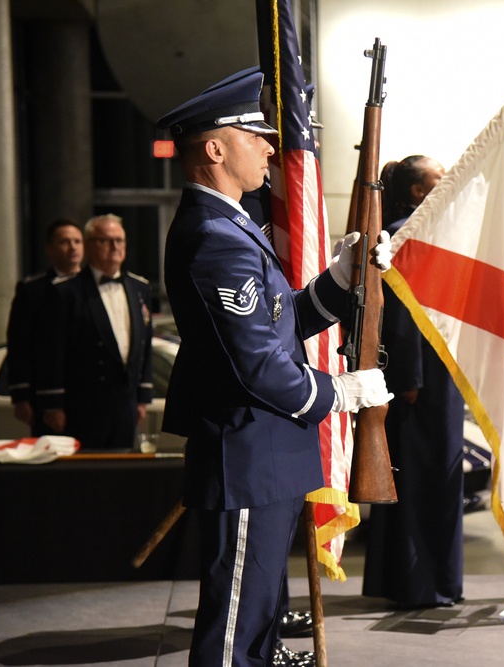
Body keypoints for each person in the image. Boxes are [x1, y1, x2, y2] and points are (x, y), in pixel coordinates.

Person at [156, 67, 393, 667]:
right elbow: (256, 362)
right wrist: (337, 393)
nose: (269, 146)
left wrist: (343, 279)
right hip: (247, 451)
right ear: (214, 148)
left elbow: (280, 317)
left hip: (267, 450)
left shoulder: (233, 224)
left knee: (257, 613)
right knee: (234, 630)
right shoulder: (216, 236)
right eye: (254, 135)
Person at [362, 155, 465, 609]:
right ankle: (421, 585)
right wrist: (410, 377)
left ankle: (426, 582)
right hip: (423, 381)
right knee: (426, 483)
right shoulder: (409, 233)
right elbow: (401, 313)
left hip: (436, 375)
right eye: (439, 178)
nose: (449, 183)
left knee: (432, 482)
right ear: (420, 192)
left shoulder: (422, 231)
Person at [36, 214, 153, 450]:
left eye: (120, 240)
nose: (115, 246)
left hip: (125, 402)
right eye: (106, 240)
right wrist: (53, 404)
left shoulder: (140, 287)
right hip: (82, 404)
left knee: (122, 476)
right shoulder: (66, 291)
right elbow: (52, 350)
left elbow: (144, 345)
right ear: (88, 245)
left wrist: (142, 397)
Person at [6, 218, 83, 435]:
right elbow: (19, 344)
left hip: (87, 394)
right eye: (65, 242)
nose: (73, 247)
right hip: (44, 392)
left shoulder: (92, 287)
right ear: (50, 248)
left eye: (77, 241)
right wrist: (20, 396)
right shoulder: (33, 290)